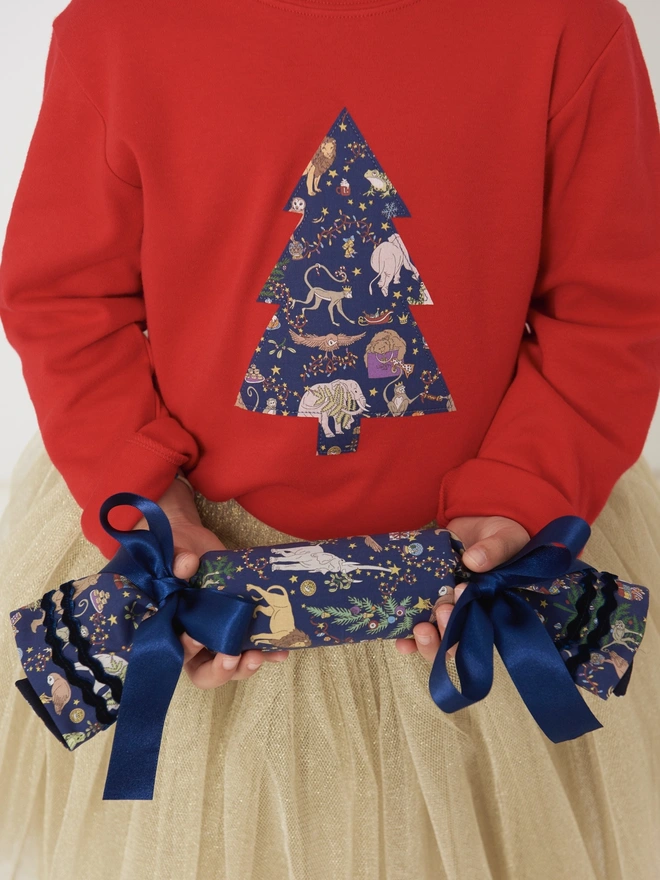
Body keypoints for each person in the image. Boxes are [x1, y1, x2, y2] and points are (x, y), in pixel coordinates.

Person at [0, 0, 659, 877]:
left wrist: (521, 496)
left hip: (485, 565)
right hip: (202, 554)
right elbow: (67, 300)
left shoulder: (567, 26)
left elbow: (613, 307)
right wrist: (146, 496)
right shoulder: (117, 28)